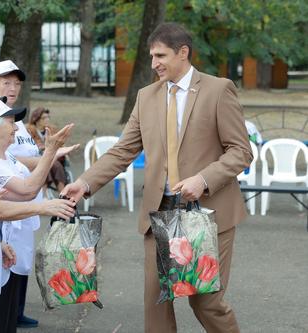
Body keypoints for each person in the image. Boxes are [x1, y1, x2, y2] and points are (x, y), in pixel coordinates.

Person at [62, 22, 253, 333]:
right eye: (151, 56)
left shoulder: (218, 90)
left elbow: (241, 151)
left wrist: (203, 179)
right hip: (159, 214)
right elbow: (123, 151)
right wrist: (84, 183)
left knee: (205, 301)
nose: (154, 64)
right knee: (156, 302)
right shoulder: (146, 96)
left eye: (160, 55)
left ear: (183, 53)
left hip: (208, 214)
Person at [0, 98, 74, 332]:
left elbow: (30, 184)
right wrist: (51, 152)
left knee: (8, 315)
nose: (16, 127)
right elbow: (27, 191)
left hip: (6, 243)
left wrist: (52, 152)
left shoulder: (6, 156)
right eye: (10, 122)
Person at [26, 107, 68, 193]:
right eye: (44, 118)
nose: (47, 120)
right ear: (36, 119)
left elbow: (61, 143)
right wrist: (40, 147)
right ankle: (44, 195)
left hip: (52, 157)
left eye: (48, 117)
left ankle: (63, 194)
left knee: (57, 166)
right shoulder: (28, 130)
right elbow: (26, 146)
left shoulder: (52, 129)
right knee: (43, 164)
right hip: (35, 158)